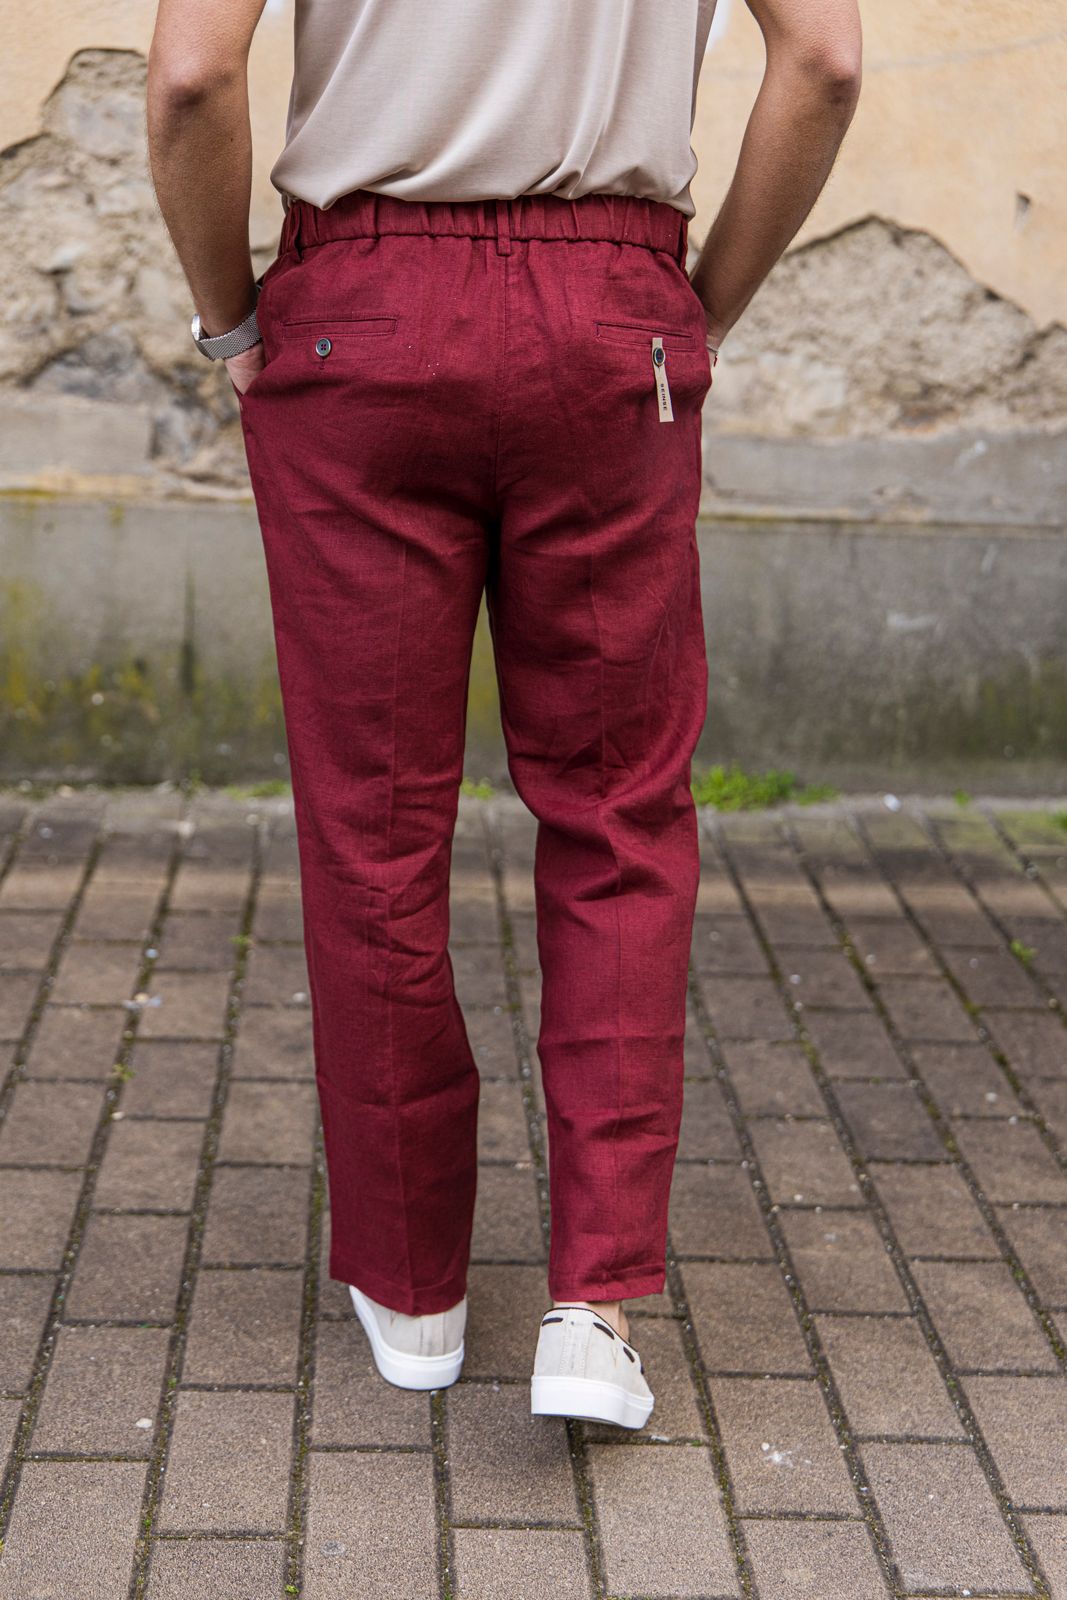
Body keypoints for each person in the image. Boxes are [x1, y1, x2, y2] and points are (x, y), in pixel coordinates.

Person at [147, 0, 861, 1430]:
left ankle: (414, 1291)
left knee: (374, 822)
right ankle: (594, 1305)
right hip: (613, 313)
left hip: (360, 316)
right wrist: (700, 306)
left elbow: (191, 77)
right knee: (617, 814)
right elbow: (828, 61)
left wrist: (231, 320)